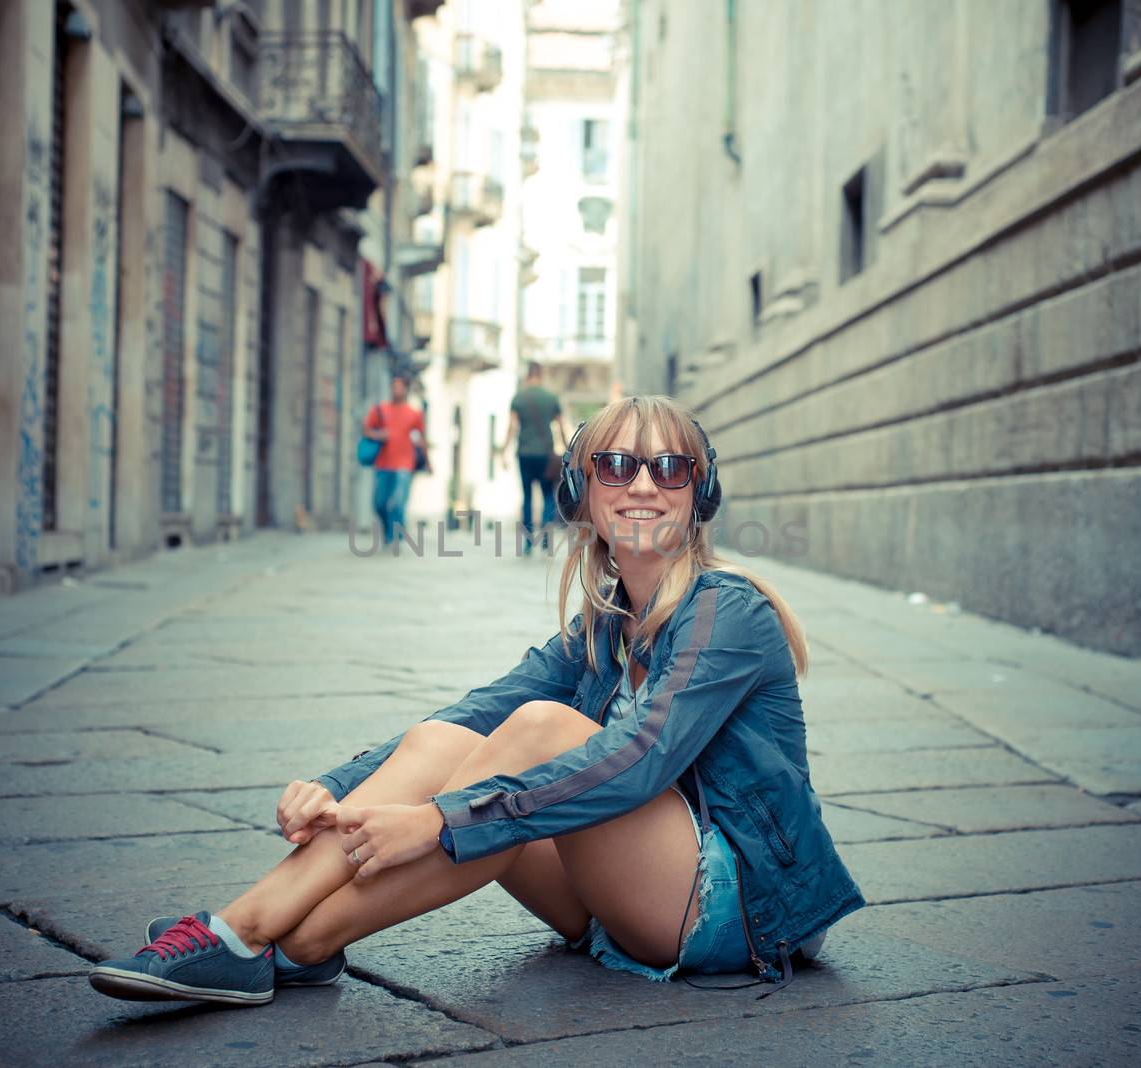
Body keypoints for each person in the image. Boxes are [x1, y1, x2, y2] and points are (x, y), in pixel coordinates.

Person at [87, 394, 865, 1007]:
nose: (641, 485)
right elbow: (467, 716)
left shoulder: (727, 611)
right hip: (622, 896)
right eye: (617, 463)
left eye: (671, 469)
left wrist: (438, 823)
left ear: (700, 495)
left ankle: (245, 932)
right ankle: (286, 947)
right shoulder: (604, 629)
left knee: (538, 734)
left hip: (733, 910)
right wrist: (334, 783)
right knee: (450, 741)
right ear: (580, 489)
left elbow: (637, 761)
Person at [498, 362, 567, 553]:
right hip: (545, 454)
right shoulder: (551, 398)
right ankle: (545, 536)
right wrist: (568, 447)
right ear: (540, 375)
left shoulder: (518, 399)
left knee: (527, 496)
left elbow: (512, 427)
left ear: (528, 375)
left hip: (525, 454)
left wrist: (503, 451)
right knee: (547, 496)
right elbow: (560, 426)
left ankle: (528, 541)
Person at [364, 372, 428, 547]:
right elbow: (367, 430)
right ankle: (387, 530)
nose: (396, 390)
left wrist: (428, 462)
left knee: (399, 502)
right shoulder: (380, 410)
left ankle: (395, 535)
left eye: (400, 387)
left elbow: (421, 438)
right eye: (394, 387)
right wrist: (379, 435)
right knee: (379, 503)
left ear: (405, 390)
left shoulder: (413, 413)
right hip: (383, 463)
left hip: (404, 464)